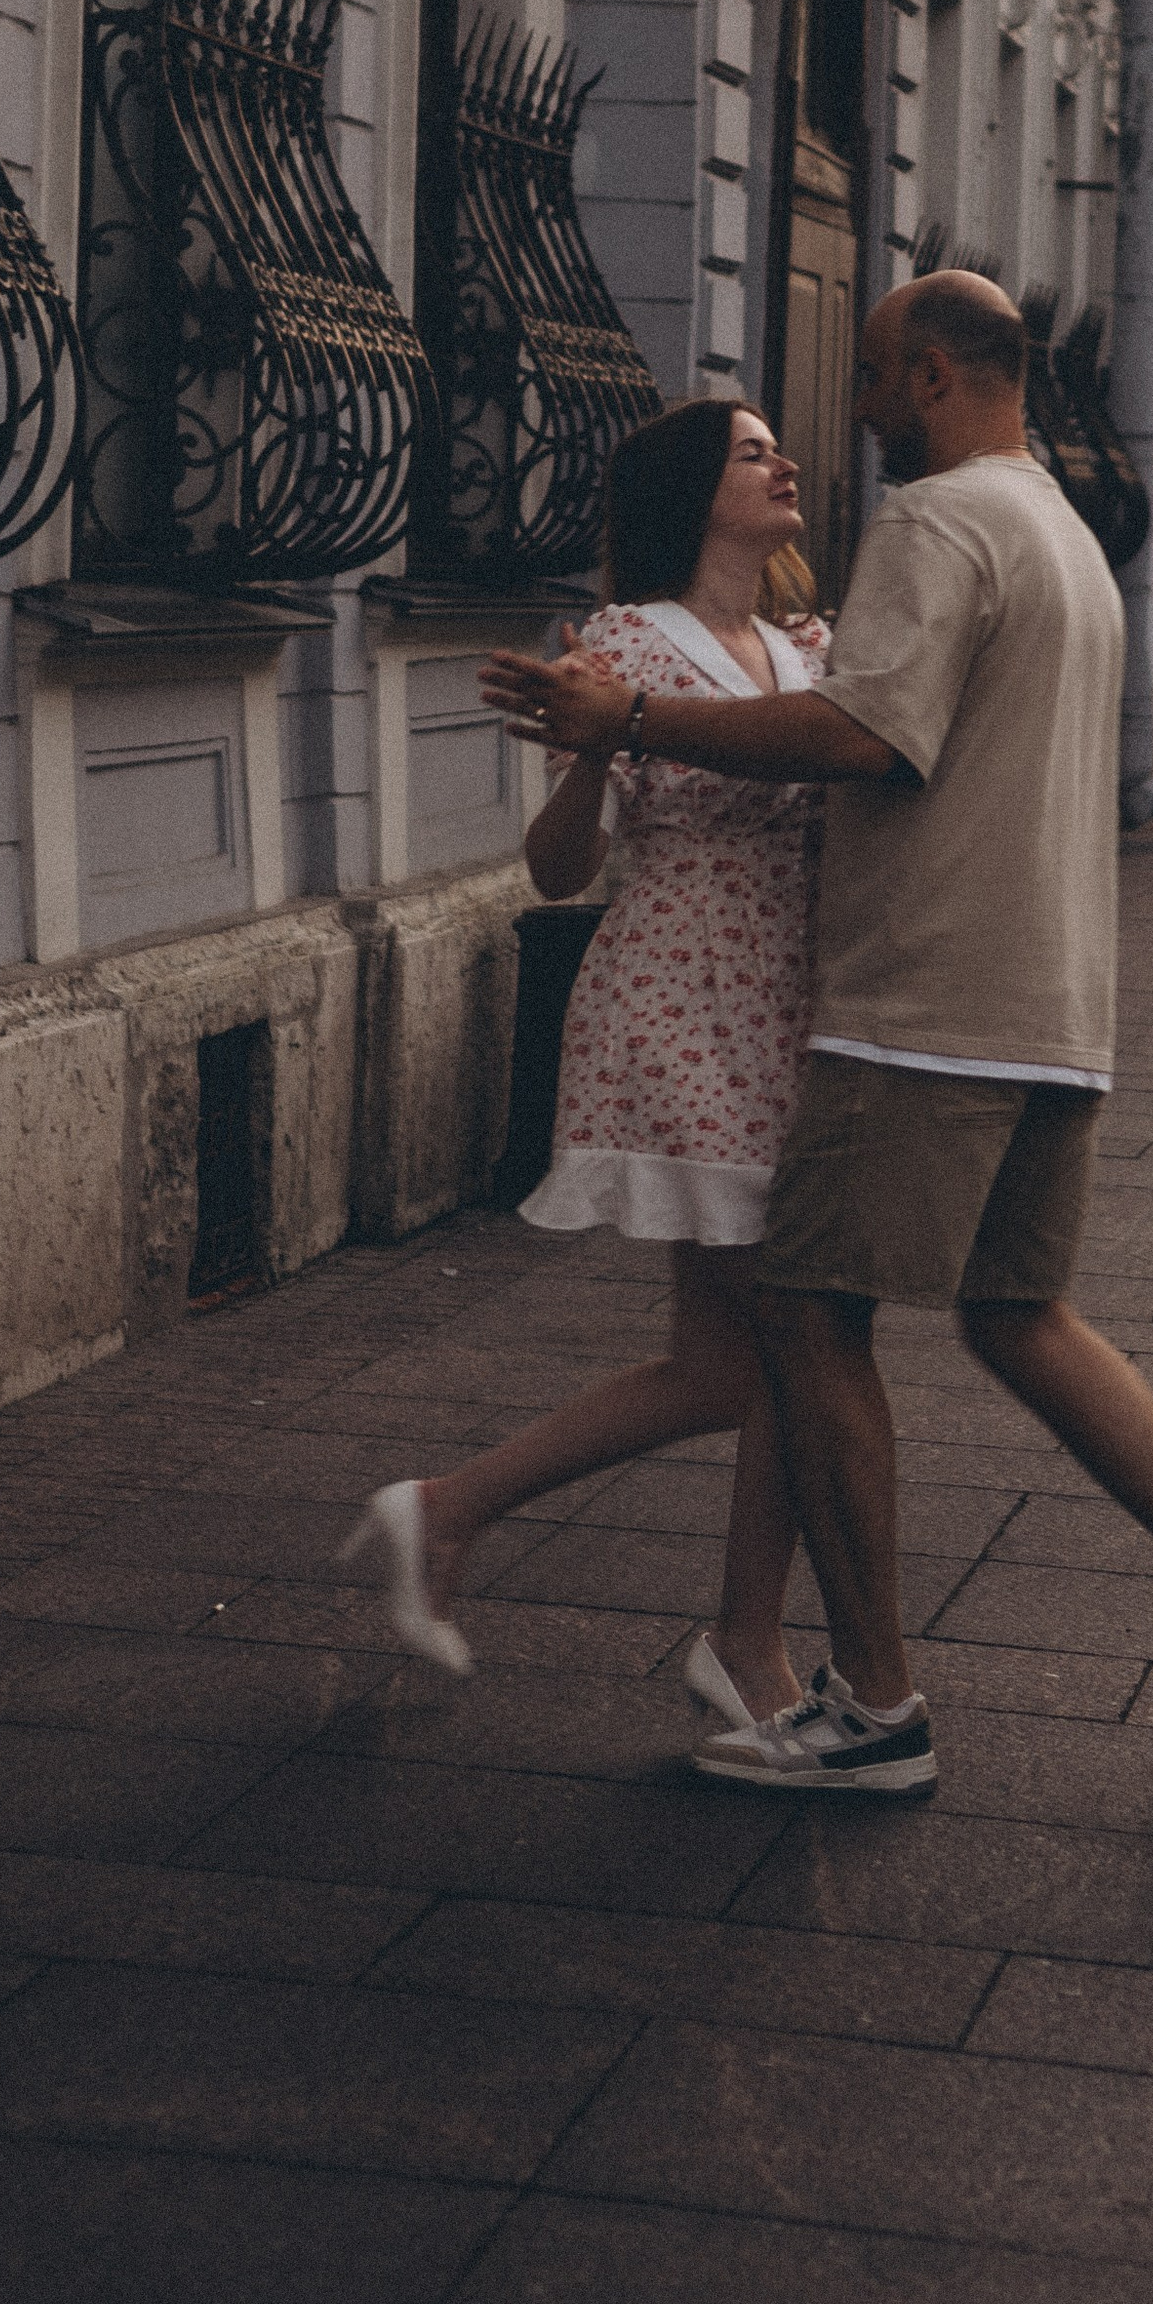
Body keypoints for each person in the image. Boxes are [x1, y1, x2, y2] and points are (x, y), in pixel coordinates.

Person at [483, 272, 1153, 1798]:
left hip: (922, 1009)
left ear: (941, 378)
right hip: (1054, 1004)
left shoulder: (938, 523)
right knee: (1024, 1319)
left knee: (808, 1319)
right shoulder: (1064, 534)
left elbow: (863, 737)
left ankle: (876, 1705)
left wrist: (631, 721)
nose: (863, 406)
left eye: (881, 376)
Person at [337, 398, 826, 1725]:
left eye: (775, 447)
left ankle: (447, 1509)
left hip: (782, 1004)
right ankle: (749, 1650)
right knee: (796, 1345)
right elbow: (559, 871)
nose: (783, 463)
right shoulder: (621, 645)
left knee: (727, 1369)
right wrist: (591, 754)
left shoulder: (803, 648)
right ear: (691, 492)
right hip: (679, 999)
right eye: (751, 452)